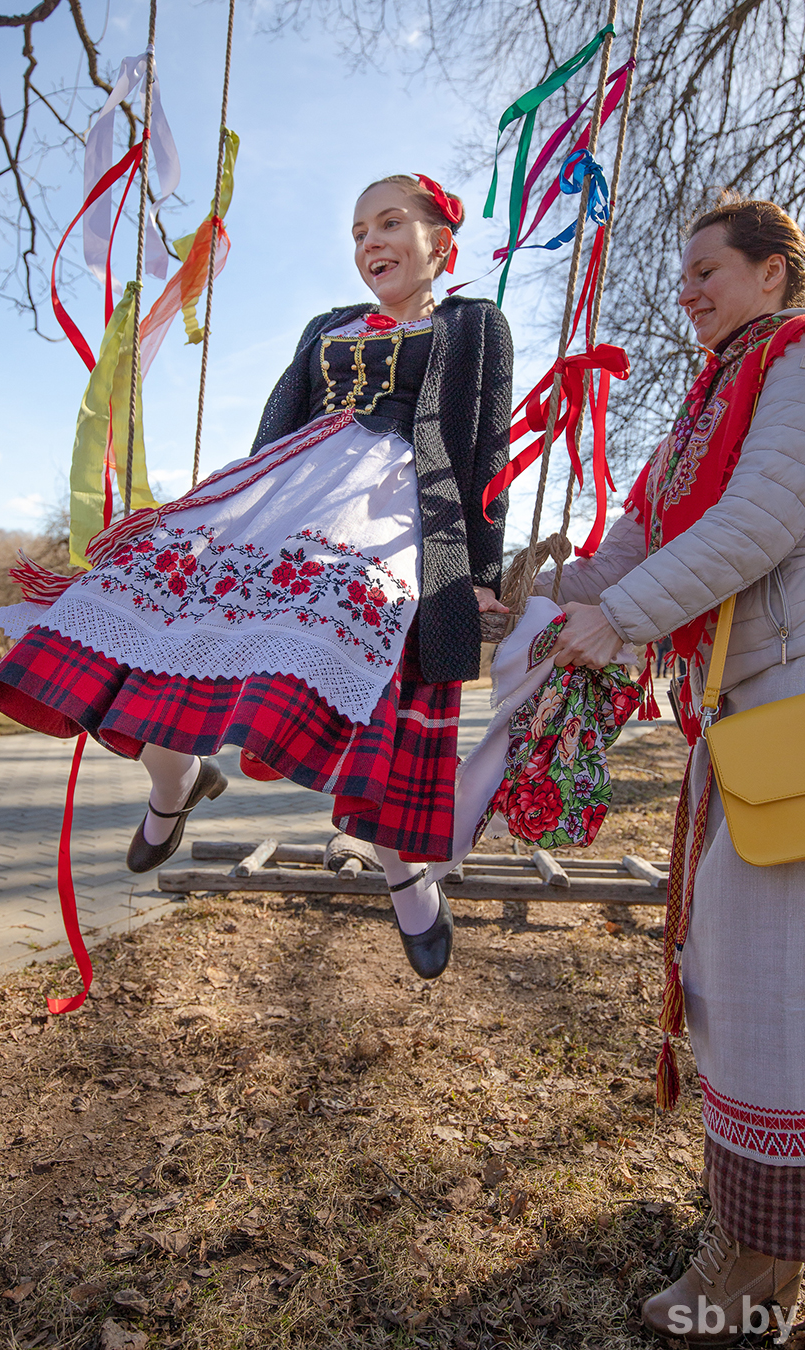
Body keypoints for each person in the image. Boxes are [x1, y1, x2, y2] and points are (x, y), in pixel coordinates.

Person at [0, 174, 513, 980]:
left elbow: (486, 451)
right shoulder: (326, 326)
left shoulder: (473, 324)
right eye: (358, 229)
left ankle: (403, 873)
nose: (372, 240)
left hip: (398, 510)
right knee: (154, 610)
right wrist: (237, 504)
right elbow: (278, 423)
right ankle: (178, 782)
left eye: (391, 222)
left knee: (360, 659)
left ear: (441, 239)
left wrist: (478, 570)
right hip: (288, 488)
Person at [535, 195, 805, 1343]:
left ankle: (756, 1272)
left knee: (766, 988)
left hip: (792, 713)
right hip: (743, 718)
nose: (688, 288)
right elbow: (642, 536)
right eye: (683, 271)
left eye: (708, 269)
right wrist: (545, 604)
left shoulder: (796, 365)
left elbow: (764, 518)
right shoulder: (706, 403)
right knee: (733, 977)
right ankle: (758, 1234)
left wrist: (626, 618)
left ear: (774, 278)